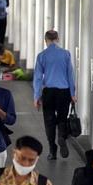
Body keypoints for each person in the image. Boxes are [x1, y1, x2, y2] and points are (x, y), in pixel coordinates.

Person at [32, 30, 76, 160]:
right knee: (62, 118)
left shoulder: (42, 56)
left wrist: (37, 96)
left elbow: (38, 78)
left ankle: (52, 150)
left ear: (45, 41)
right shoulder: (66, 54)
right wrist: (73, 94)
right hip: (64, 91)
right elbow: (70, 75)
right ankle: (61, 137)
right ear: (58, 39)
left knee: (49, 121)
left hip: (49, 92)